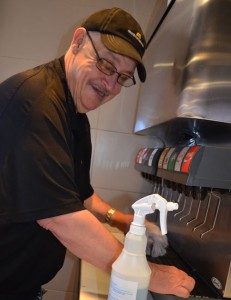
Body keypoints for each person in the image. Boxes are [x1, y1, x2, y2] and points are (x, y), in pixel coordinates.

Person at [0, 7, 195, 300]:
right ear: (78, 42)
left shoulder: (75, 115)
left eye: (122, 77)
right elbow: (60, 217)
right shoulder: (36, 103)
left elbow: (82, 195)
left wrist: (123, 220)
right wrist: (147, 273)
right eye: (106, 65)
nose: (111, 85)